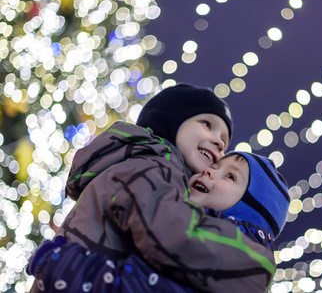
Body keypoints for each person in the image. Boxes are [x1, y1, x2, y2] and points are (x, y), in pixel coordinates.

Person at [27, 84, 288, 292]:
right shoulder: (152, 166)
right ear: (171, 121)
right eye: (207, 124)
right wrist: (64, 268)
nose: (219, 143)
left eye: (224, 141)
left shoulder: (166, 175)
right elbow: (168, 231)